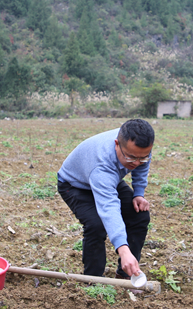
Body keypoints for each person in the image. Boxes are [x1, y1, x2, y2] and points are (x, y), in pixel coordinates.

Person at [57, 119, 155, 280]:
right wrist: (123, 249)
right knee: (96, 225)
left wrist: (138, 193)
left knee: (139, 215)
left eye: (142, 157)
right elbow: (109, 207)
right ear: (117, 144)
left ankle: (126, 275)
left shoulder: (139, 147)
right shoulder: (102, 167)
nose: (137, 163)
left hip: (110, 180)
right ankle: (92, 280)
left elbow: (142, 164)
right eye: (131, 158)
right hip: (75, 185)